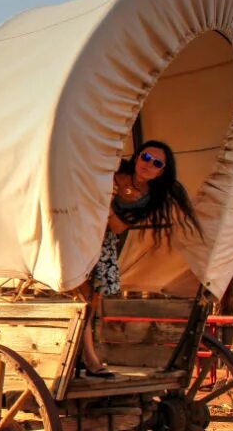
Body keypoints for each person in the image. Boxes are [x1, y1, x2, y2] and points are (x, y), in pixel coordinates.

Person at [78, 140, 202, 376]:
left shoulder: (149, 198)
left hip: (102, 241)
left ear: (160, 172)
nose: (148, 165)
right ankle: (89, 358)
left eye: (156, 163)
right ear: (136, 157)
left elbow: (117, 227)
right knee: (84, 298)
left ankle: (85, 354)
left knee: (92, 301)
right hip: (77, 231)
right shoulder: (112, 170)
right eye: (146, 157)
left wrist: (108, 206)